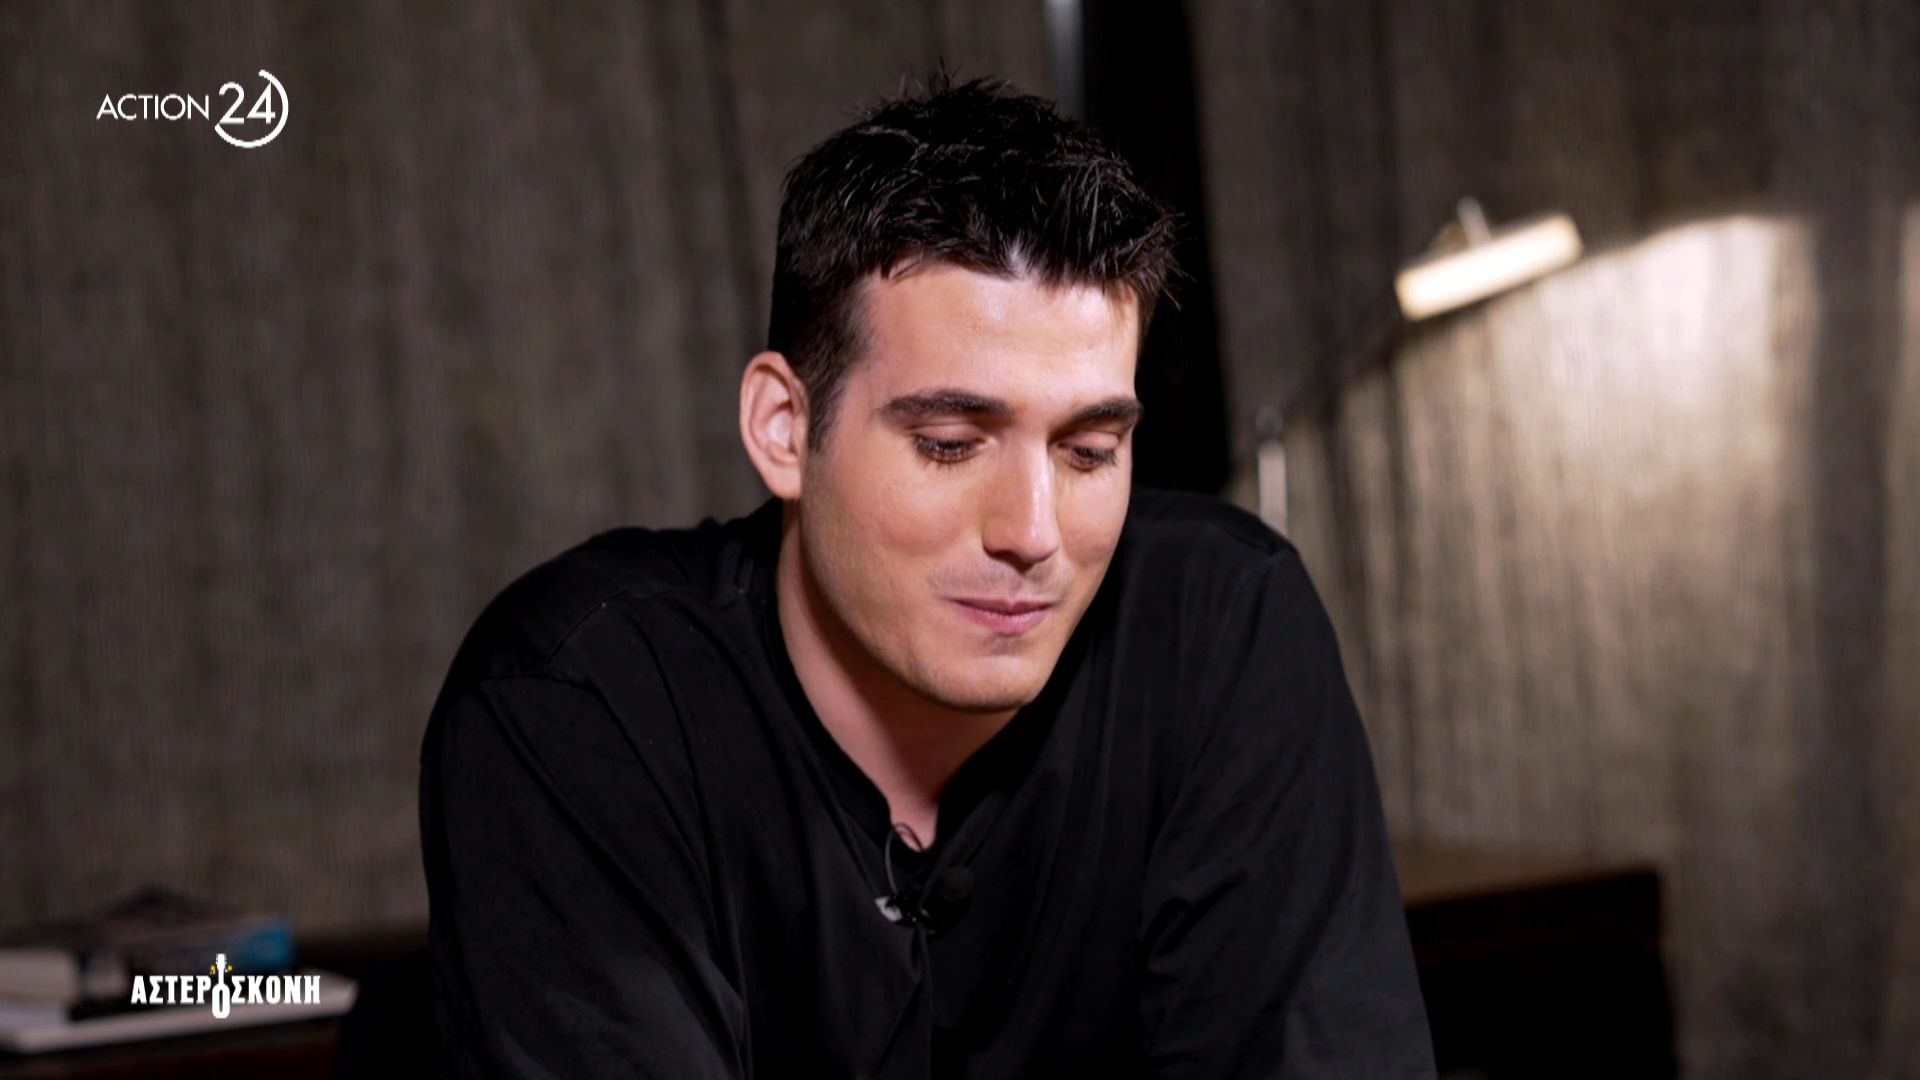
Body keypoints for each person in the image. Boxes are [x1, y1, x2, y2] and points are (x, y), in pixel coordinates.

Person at [420, 73, 1435, 1079]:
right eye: (950, 443)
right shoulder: (579, 699)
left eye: (1089, 452)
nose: (1032, 532)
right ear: (784, 428)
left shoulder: (1220, 625)